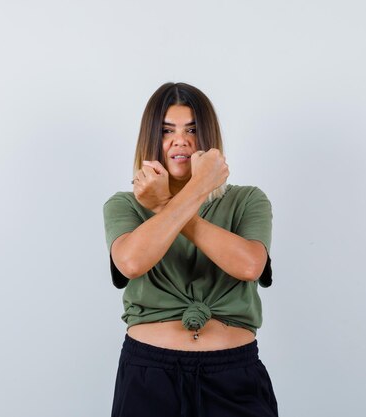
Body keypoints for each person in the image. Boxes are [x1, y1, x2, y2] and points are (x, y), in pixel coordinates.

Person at [103, 82, 278, 417]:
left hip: (233, 374)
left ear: (208, 138)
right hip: (150, 374)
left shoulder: (248, 199)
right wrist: (194, 190)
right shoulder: (124, 204)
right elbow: (131, 262)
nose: (180, 140)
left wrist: (173, 200)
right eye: (167, 130)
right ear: (151, 139)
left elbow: (249, 266)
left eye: (192, 130)